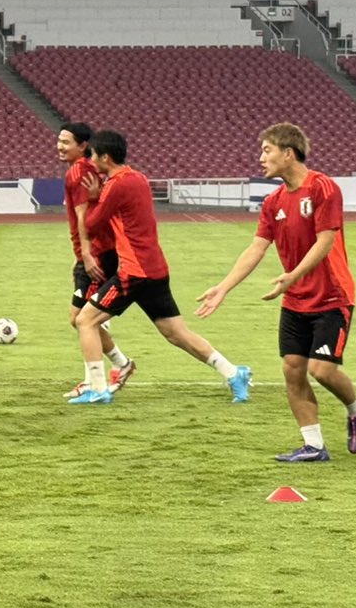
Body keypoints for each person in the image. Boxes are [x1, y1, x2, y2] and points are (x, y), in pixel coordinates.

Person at [197, 123, 356, 463]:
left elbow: (326, 240)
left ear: (288, 153)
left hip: (331, 296)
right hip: (294, 299)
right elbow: (257, 248)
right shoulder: (273, 201)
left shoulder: (323, 188)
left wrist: (293, 275)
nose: (260, 158)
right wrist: (224, 287)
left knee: (322, 370)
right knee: (292, 369)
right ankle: (314, 446)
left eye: (266, 151)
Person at [71, 129, 251, 405]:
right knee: (176, 333)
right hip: (154, 269)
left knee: (85, 320)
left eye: (93, 155)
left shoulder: (116, 185)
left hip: (135, 273)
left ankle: (97, 387)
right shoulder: (138, 178)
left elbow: (93, 225)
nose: (91, 161)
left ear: (106, 157)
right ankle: (232, 372)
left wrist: (93, 198)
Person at [59, 122, 134, 400]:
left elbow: (82, 216)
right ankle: (114, 368)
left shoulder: (80, 170)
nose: (59, 146)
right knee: (84, 318)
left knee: (82, 318)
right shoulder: (86, 170)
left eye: (66, 142)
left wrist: (87, 255)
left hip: (99, 254)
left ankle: (100, 379)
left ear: (83, 146)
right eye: (59, 140)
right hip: (98, 252)